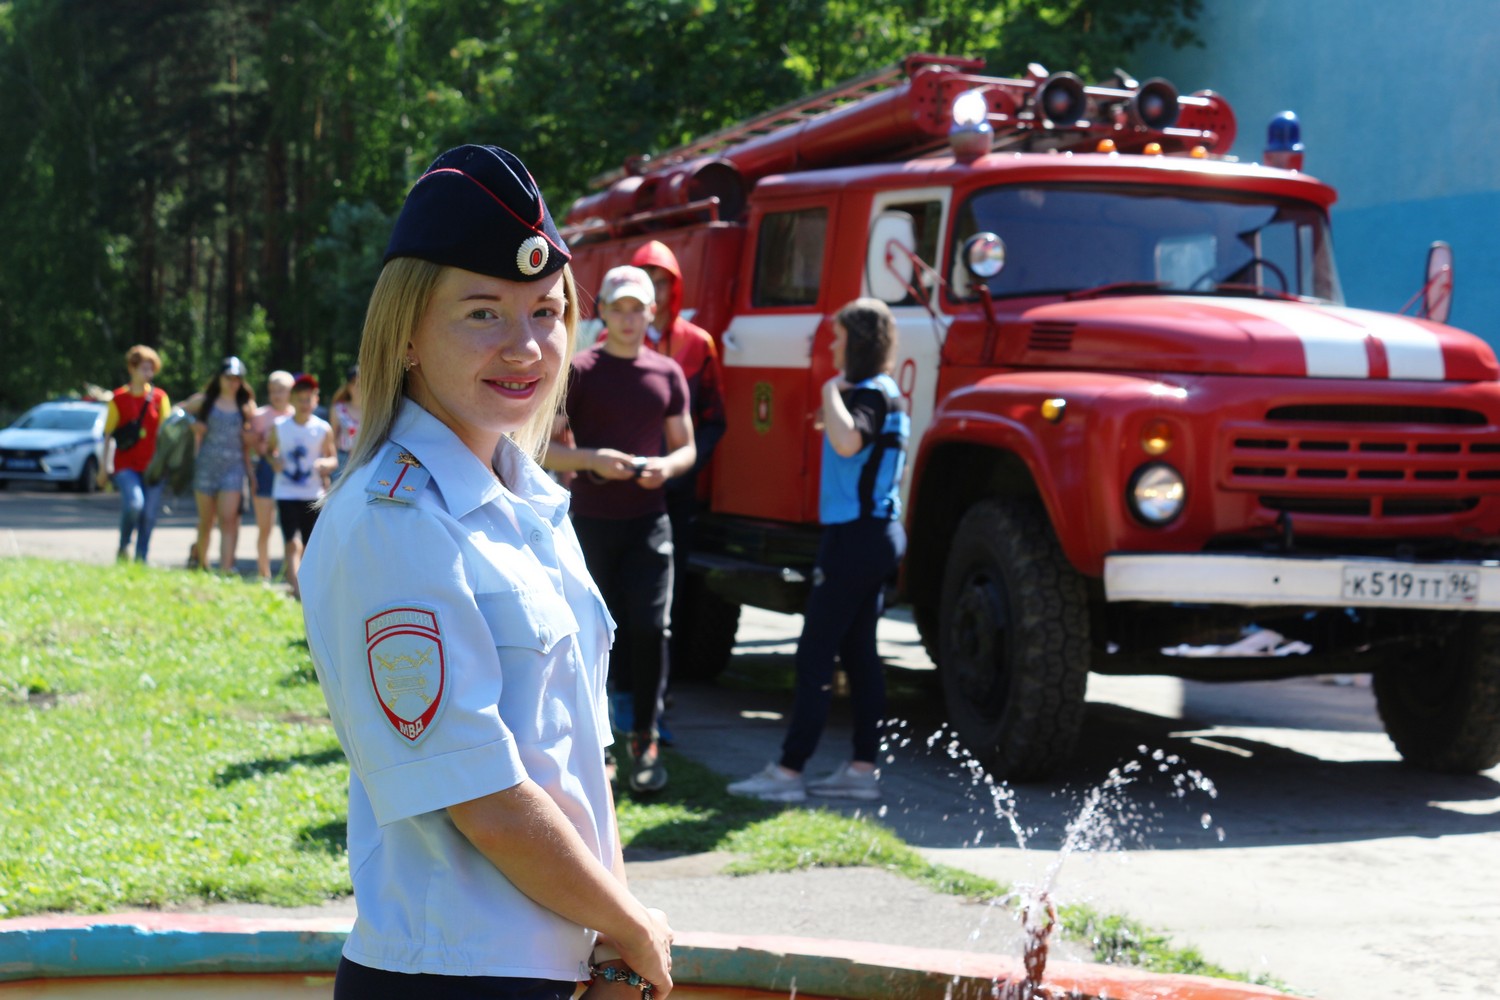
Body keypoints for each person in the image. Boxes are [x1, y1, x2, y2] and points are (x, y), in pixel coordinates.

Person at [298, 144, 673, 999]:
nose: (526, 346)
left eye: (546, 311)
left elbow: (570, 759)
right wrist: (625, 924)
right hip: (453, 977)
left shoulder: (529, 503)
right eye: (481, 313)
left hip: (548, 966)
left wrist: (614, 935)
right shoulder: (391, 523)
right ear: (405, 338)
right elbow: (486, 799)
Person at [728, 298, 909, 803]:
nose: (832, 345)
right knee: (859, 653)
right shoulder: (881, 394)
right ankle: (861, 768)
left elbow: (850, 443)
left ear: (858, 342)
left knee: (814, 653)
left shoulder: (869, 395)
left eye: (838, 337)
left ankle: (788, 772)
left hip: (855, 538)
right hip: (873, 536)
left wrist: (831, 390)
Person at [543, 265, 695, 795]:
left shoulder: (667, 373)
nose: (629, 319)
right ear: (602, 311)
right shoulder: (580, 370)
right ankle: (598, 747)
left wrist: (666, 468)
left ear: (652, 314)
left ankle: (645, 739)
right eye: (619, 308)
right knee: (590, 635)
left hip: (650, 521)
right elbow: (542, 447)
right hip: (589, 524)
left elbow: (686, 448)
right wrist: (591, 460)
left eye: (639, 309)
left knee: (651, 630)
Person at [629, 241, 728, 738]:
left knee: (667, 598)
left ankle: (659, 699)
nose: (655, 289)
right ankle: (621, 694)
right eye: (645, 278)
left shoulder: (697, 344)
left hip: (675, 492)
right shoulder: (613, 339)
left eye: (662, 279)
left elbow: (714, 421)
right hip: (621, 492)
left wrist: (683, 468)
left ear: (674, 286)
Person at [98, 345, 172, 563]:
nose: (148, 373)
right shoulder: (118, 399)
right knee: (134, 504)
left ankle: (141, 559)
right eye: (143, 368)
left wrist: (168, 463)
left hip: (153, 467)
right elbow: (108, 436)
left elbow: (167, 434)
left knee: (149, 514)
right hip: (125, 465)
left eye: (151, 369)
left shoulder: (160, 398)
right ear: (132, 368)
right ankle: (123, 546)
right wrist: (104, 468)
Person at [268, 373, 335, 600]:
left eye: (309, 399)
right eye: (300, 399)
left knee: (309, 544)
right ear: (291, 400)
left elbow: (333, 457)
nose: (305, 404)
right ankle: (297, 588)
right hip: (286, 492)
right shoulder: (280, 426)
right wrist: (274, 459)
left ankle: (304, 584)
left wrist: (325, 464)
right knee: (292, 542)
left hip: (312, 494)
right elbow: (270, 450)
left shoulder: (322, 428)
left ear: (315, 400)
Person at [186, 356, 255, 573]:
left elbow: (255, 432)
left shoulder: (246, 406)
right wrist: (194, 424)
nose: (232, 382)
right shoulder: (205, 401)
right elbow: (179, 412)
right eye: (228, 377)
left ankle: (226, 568)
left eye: (237, 378)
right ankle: (202, 564)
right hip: (206, 467)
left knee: (228, 520)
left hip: (233, 469)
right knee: (206, 521)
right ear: (219, 378)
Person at [249, 370, 295, 583]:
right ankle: (263, 571)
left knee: (291, 528)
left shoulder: (298, 414)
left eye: (282, 390)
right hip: (266, 472)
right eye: (273, 391)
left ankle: (292, 573)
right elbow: (251, 448)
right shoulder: (259, 416)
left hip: (293, 473)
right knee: (265, 526)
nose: (277, 395)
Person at [329, 363, 362, 478]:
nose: (358, 387)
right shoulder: (338, 409)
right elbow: (331, 437)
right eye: (354, 383)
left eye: (362, 383)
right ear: (348, 386)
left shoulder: (375, 411)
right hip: (343, 459)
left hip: (366, 458)